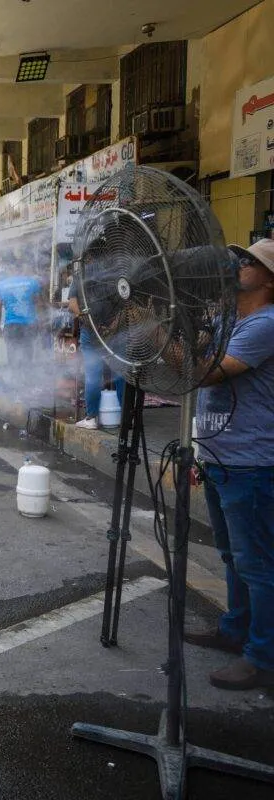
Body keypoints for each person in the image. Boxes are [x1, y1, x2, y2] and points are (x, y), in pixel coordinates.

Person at [184, 237, 274, 691]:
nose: (238, 264)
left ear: (268, 279)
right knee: (231, 556)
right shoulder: (229, 319)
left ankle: (261, 656)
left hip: (252, 462)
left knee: (256, 563)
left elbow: (209, 370)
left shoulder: (267, 324)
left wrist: (161, 337)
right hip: (220, 455)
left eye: (250, 262)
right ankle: (234, 629)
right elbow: (196, 345)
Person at [68, 277, 124, 429]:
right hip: (115, 331)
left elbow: (72, 304)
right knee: (119, 373)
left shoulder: (82, 273)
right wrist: (114, 326)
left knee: (93, 375)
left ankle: (92, 417)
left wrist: (86, 320)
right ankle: (126, 417)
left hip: (91, 332)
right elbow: (125, 303)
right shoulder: (115, 271)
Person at [0, 267, 46, 374]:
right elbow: (40, 305)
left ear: (9, 269)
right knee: (27, 358)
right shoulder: (32, 283)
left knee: (12, 359)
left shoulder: (1, 285)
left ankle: (15, 384)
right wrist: (41, 323)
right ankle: (26, 385)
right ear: (22, 267)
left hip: (11, 325)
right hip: (29, 325)